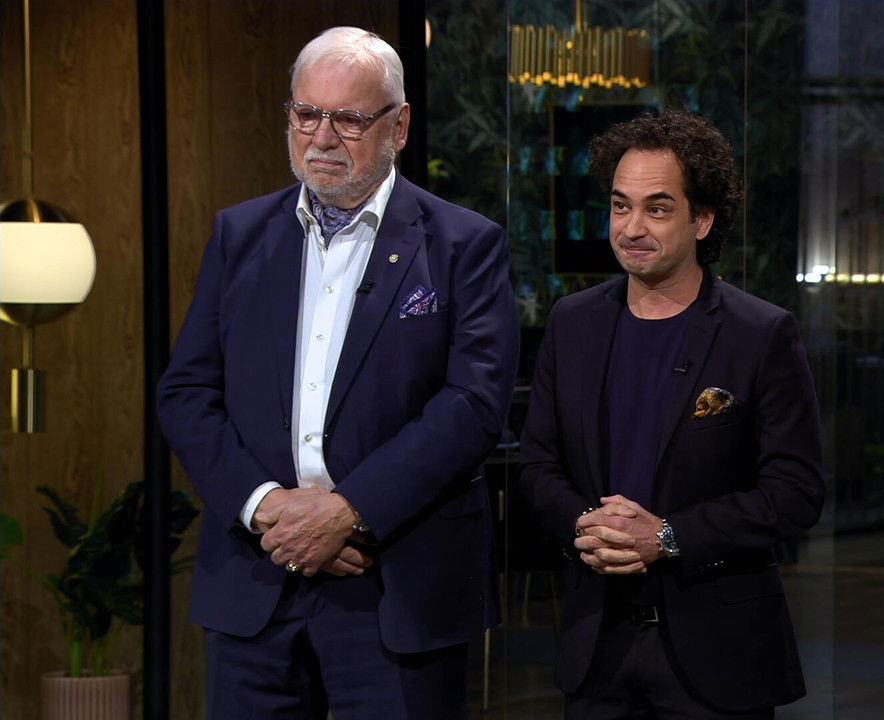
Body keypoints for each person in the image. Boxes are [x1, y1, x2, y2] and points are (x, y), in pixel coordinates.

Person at [157, 26, 518, 718]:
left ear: (398, 127)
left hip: (395, 583)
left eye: (349, 119)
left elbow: (473, 405)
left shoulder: (464, 244)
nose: (321, 138)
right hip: (258, 576)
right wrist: (266, 505)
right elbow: (187, 392)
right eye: (306, 114)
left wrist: (349, 511)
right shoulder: (240, 235)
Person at [516, 110, 824, 719]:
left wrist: (667, 537)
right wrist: (587, 525)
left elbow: (795, 492)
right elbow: (537, 465)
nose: (632, 228)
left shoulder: (759, 333)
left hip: (717, 652)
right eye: (620, 206)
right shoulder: (573, 322)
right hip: (597, 645)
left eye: (657, 209)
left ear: (702, 220)